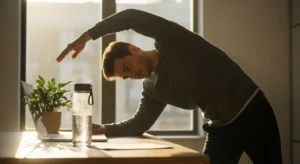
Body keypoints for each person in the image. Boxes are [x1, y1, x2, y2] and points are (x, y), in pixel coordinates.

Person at [56, 9, 282, 164]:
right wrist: (106, 129)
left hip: (252, 111)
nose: (131, 75)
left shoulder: (171, 40)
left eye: (126, 67)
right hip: (222, 127)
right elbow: (139, 123)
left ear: (134, 49)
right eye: (125, 77)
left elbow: (131, 17)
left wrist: (89, 36)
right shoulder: (152, 88)